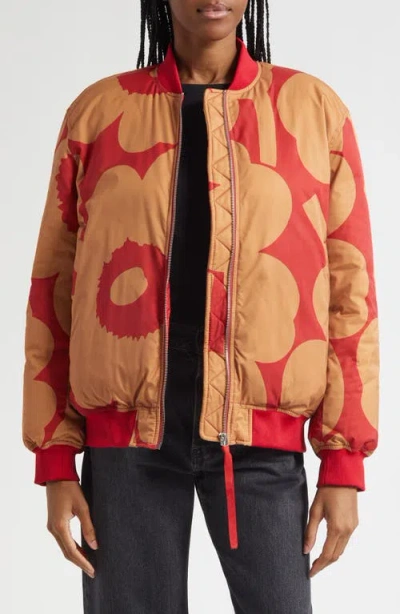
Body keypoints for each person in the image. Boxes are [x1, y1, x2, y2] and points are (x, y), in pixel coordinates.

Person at [22, 1, 380, 612]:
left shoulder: (312, 111)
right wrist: (56, 459)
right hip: (126, 447)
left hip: (262, 445)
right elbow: (54, 291)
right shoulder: (99, 113)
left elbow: (352, 296)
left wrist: (343, 460)